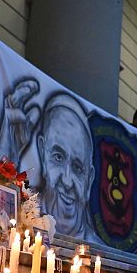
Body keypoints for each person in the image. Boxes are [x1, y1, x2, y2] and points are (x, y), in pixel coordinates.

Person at [34, 93, 95, 240]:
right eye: (58, 157)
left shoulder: (98, 246)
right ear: (43, 155)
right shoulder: (18, 222)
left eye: (78, 168)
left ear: (90, 180)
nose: (67, 181)